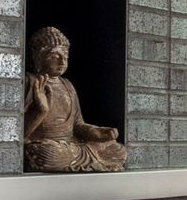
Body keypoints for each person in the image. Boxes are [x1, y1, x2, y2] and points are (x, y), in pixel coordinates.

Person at [22, 26, 125, 173]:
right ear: (37, 57)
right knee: (45, 153)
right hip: (47, 147)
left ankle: (81, 159)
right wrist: (41, 111)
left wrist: (96, 132)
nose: (62, 61)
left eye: (65, 55)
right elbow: (21, 134)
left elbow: (77, 124)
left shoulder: (67, 85)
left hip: (71, 146)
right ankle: (82, 160)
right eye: (54, 56)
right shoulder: (30, 82)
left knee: (117, 149)